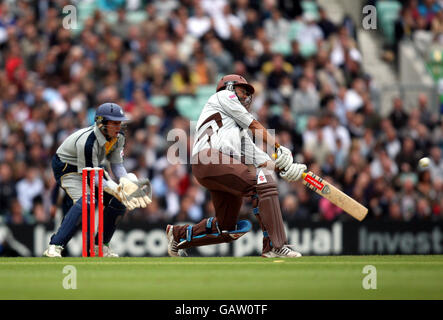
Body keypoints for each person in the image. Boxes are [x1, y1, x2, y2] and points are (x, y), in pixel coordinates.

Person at [166, 74, 307, 258]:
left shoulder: (235, 129)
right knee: (263, 184)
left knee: (226, 228)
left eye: (249, 93)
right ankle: (275, 245)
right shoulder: (223, 96)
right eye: (243, 90)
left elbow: (260, 158)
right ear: (230, 87)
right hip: (211, 158)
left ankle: (178, 234)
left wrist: (285, 167)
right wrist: (279, 147)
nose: (247, 96)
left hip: (218, 167)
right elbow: (254, 124)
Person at [43, 103, 151, 257]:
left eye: (119, 122)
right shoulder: (88, 142)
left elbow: (117, 166)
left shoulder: (119, 137)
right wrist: (117, 189)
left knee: (120, 201)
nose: (118, 126)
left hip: (91, 168)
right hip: (67, 168)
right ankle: (55, 246)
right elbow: (91, 178)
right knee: (87, 201)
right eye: (114, 122)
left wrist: (128, 183)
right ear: (101, 123)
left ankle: (99, 245)